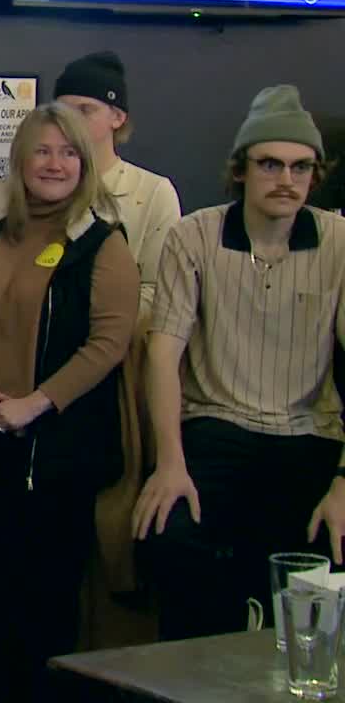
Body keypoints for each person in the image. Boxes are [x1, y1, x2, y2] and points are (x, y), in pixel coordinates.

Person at [0, 102, 139, 702]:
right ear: (19, 159)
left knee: (39, 612)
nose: (55, 163)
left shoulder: (101, 241)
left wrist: (35, 404)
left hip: (52, 463)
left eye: (69, 153)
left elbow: (109, 343)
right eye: (42, 150)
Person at [133, 85, 345, 641]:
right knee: (168, 537)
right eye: (270, 163)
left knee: (327, 551)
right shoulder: (194, 236)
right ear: (241, 169)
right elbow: (163, 351)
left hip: (309, 434)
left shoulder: (339, 242)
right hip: (216, 427)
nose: (287, 179)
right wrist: (169, 462)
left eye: (301, 167)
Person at [54, 50, 181, 316]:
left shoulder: (153, 193)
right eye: (62, 112)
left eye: (84, 110)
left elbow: (158, 290)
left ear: (118, 117)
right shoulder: (39, 186)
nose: (71, 122)